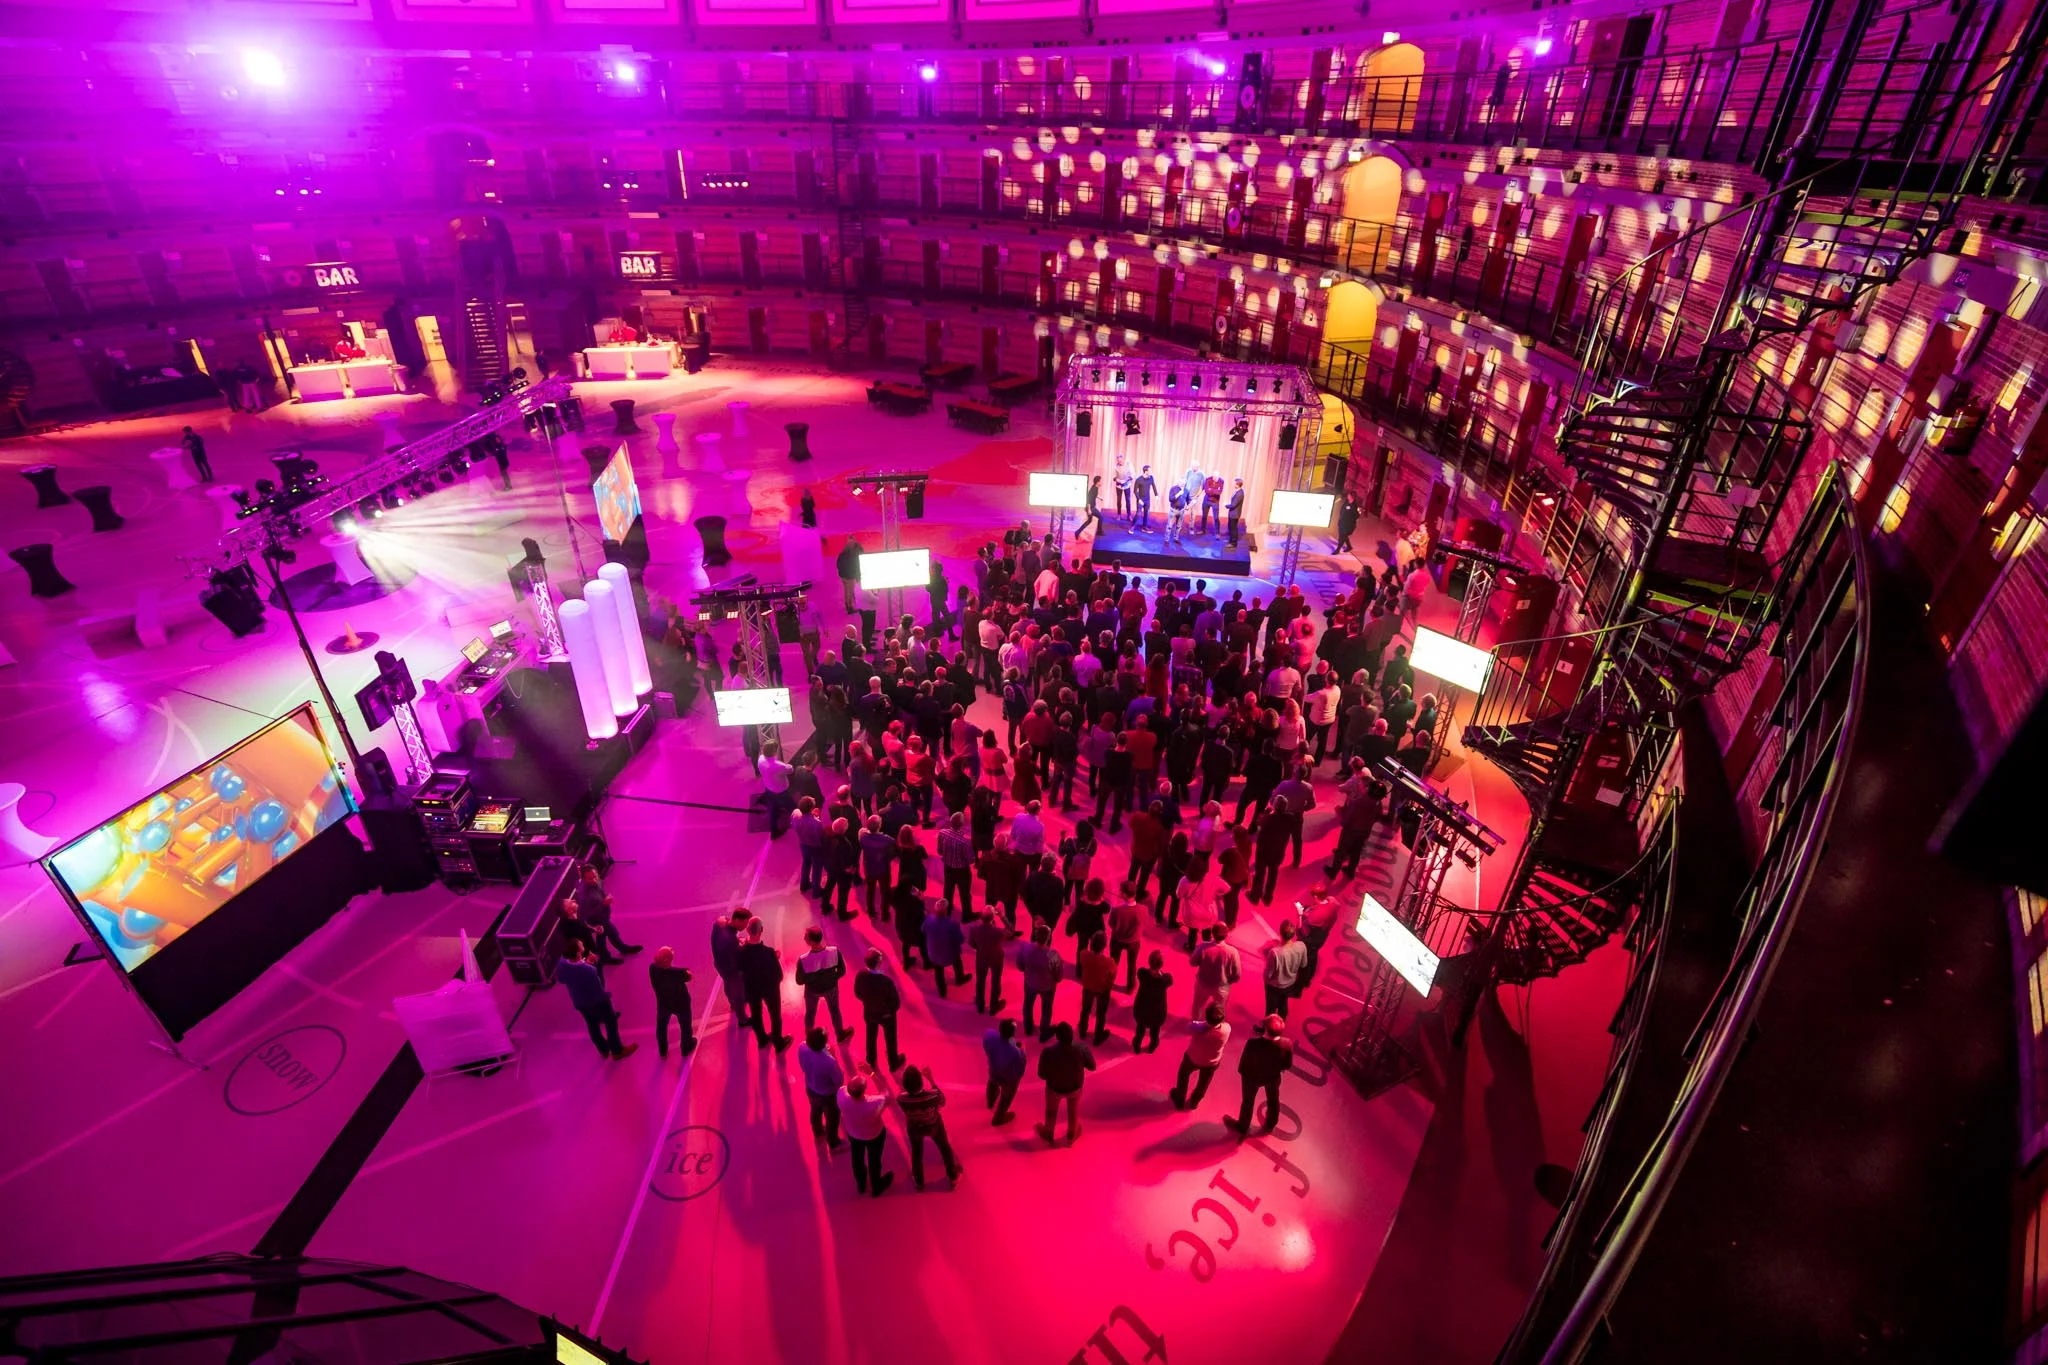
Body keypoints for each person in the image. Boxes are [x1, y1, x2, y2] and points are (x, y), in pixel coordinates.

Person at [557, 940, 637, 1061]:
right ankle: (617, 1050)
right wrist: (607, 995)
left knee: (592, 1025)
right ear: (578, 953)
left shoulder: (562, 962)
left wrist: (585, 963)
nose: (582, 944)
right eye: (580, 945)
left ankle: (603, 1050)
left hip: (579, 1002)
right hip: (597, 1002)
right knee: (611, 1022)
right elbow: (598, 990)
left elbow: (562, 979)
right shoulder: (588, 970)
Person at [1226, 1015, 1295, 1137]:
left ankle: (1242, 1126)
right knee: (1273, 1101)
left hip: (1252, 1077)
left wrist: (1244, 1075)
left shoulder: (1253, 1043)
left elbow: (1245, 1061)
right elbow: (1287, 1065)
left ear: (1265, 1028)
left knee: (1248, 1101)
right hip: (1272, 1078)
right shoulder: (1287, 1044)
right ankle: (1270, 1125)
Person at [897, 1065, 964, 1189]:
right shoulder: (932, 1096)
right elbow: (942, 1101)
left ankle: (919, 1181)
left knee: (917, 1152)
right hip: (933, 1125)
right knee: (945, 1148)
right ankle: (953, 1176)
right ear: (921, 1082)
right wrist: (931, 1080)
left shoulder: (901, 1099)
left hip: (914, 1128)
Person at [1035, 1021, 1097, 1146]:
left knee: (1051, 1112)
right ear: (1071, 1035)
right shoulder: (1081, 1049)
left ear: (1057, 1037)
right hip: (1075, 1088)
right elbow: (1092, 1066)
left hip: (1054, 1088)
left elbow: (1041, 1075)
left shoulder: (1047, 1052)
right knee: (1073, 1111)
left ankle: (1049, 1133)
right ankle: (1071, 1135)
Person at [738, 918, 792, 1049]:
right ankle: (778, 1041)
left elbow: (740, 970)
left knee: (756, 1015)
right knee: (775, 1014)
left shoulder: (741, 952)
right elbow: (779, 974)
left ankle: (761, 1040)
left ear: (747, 930)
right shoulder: (769, 952)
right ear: (761, 930)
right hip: (770, 989)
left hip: (752, 989)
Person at [838, 1073, 894, 1197]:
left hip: (854, 1134)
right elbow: (886, 1094)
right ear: (864, 1090)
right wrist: (872, 1074)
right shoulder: (875, 1102)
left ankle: (861, 1184)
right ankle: (876, 1186)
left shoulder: (841, 1095)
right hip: (874, 1135)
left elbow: (842, 1088)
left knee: (857, 1158)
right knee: (874, 1159)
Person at [796, 927, 855, 1041]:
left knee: (810, 1014)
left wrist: (812, 978)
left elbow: (799, 980)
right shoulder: (834, 951)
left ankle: (809, 1038)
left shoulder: (803, 959)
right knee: (834, 1010)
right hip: (831, 988)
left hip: (812, 991)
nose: (804, 938)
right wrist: (832, 978)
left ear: (812, 941)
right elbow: (842, 970)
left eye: (806, 937)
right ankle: (840, 1035)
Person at [853, 948, 907, 1070]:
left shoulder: (860, 976)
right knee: (890, 1038)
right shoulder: (886, 981)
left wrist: (868, 1001)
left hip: (869, 1011)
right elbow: (895, 1003)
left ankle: (871, 1059)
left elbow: (857, 993)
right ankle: (893, 1062)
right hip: (885, 1015)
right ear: (878, 963)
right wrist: (888, 1011)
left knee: (871, 1035)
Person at [1170, 1002, 1231, 1109]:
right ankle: (1195, 1101)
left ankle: (1180, 1098)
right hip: (1212, 1061)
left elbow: (1187, 1029)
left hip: (1193, 1057)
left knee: (1184, 1074)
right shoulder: (1227, 1029)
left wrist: (1200, 1023)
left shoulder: (1197, 1027)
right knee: (1204, 1082)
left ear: (1206, 1016)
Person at [574, 864, 641, 959]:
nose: (594, 880)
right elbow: (586, 914)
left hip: (603, 915)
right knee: (612, 932)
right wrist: (603, 904)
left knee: (602, 936)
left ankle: (606, 956)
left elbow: (600, 890)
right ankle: (621, 949)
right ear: (584, 879)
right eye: (590, 878)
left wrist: (604, 899)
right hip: (597, 919)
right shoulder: (584, 896)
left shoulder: (597, 881)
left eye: (595, 876)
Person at [798, 1027, 845, 1149]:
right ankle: (834, 1144)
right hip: (827, 1095)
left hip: (811, 1088)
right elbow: (838, 1081)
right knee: (832, 1118)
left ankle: (818, 1132)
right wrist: (833, 1055)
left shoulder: (802, 1047)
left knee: (815, 1110)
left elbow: (803, 1066)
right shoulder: (829, 1061)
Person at [1018, 921, 1064, 1042]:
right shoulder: (1053, 955)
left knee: (1028, 1004)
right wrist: (1056, 979)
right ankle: (1044, 1032)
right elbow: (1058, 974)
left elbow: (1020, 965)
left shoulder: (1026, 948)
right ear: (1048, 938)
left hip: (1030, 982)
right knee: (1046, 1009)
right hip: (1047, 986)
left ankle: (1028, 1028)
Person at [648, 946, 696, 1058]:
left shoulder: (652, 969)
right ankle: (686, 1046)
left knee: (661, 1026)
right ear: (668, 960)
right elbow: (689, 976)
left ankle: (662, 1049)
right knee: (685, 1025)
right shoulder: (677, 973)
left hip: (663, 1003)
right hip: (681, 1004)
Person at [1189, 925, 1242, 1020]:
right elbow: (1237, 974)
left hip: (1203, 983)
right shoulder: (1232, 952)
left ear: (1212, 933)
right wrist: (1229, 981)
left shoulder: (1203, 947)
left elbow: (1192, 962)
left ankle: (1196, 1023)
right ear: (1226, 934)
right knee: (1220, 1010)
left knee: (1198, 1006)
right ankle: (1216, 1026)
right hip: (1222, 986)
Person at [1076, 932, 1117, 1045]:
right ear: (1104, 946)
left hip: (1088, 986)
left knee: (1085, 1009)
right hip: (1102, 989)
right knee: (1101, 1013)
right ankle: (1098, 1035)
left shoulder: (1083, 954)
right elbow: (1113, 976)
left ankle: (1082, 1030)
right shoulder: (1109, 962)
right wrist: (1108, 985)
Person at [984, 1018, 1027, 1125]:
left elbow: (986, 1047)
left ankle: (990, 1101)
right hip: (1007, 1079)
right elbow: (1020, 1071)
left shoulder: (989, 1035)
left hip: (993, 1070)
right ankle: (999, 1117)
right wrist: (1022, 1051)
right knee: (1007, 1097)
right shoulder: (1016, 1053)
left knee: (992, 1082)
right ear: (1013, 1033)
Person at [1263, 919, 1308, 1019]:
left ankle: (1269, 1026)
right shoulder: (1301, 946)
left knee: (1271, 1008)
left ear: (1280, 933)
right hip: (1290, 983)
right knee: (1283, 1003)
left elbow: (1268, 974)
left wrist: (1266, 979)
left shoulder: (1275, 952)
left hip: (1275, 985)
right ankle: (1282, 1021)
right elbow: (1304, 964)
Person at [922, 901, 969, 998]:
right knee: (957, 960)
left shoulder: (929, 919)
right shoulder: (952, 924)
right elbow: (961, 940)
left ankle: (941, 990)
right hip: (950, 955)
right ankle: (959, 978)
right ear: (946, 911)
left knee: (938, 970)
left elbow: (923, 930)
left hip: (933, 954)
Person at [967, 909, 1010, 1014]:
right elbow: (1010, 930)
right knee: (996, 981)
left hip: (981, 956)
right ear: (993, 918)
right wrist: (1002, 916)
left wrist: (980, 948)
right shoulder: (997, 932)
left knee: (980, 981)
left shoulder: (974, 929)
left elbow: (971, 943)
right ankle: (993, 1006)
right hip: (996, 957)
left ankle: (980, 1005)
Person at [710, 909, 750, 1013]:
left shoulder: (720, 923)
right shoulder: (730, 940)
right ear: (737, 920)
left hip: (719, 963)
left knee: (728, 983)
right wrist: (744, 944)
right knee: (736, 987)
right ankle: (738, 1008)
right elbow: (735, 955)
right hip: (729, 968)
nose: (746, 927)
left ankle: (733, 1003)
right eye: (745, 923)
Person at [1132, 950, 1172, 1052]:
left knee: (1140, 1028)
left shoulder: (1143, 974)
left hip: (1142, 1009)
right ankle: (1153, 1045)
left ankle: (1137, 1044)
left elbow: (1141, 971)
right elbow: (1169, 979)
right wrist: (1159, 973)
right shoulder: (1164, 980)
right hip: (1157, 1012)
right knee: (1155, 1030)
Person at [1108, 887, 1145, 992]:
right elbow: (1143, 923)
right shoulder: (1143, 909)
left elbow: (1111, 924)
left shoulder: (1117, 910)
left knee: (1113, 962)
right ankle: (1130, 986)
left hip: (1117, 939)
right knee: (1132, 964)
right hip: (1134, 941)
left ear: (1124, 894)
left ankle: (1109, 982)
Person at [837, 536, 864, 612]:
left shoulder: (845, 551)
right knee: (850, 591)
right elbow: (857, 565)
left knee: (847, 590)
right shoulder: (856, 552)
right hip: (849, 575)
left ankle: (848, 605)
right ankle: (849, 607)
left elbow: (838, 563)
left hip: (844, 575)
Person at [1076, 474, 1104, 539]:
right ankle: (1099, 531)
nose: (1101, 482)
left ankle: (1077, 532)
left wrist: (1100, 498)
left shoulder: (1095, 487)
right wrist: (1089, 509)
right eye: (1101, 481)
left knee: (1089, 521)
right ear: (1097, 482)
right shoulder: (1093, 489)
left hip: (1091, 507)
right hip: (1091, 508)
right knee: (1101, 517)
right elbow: (1088, 499)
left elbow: (1094, 495)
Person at [1132, 464, 1157, 530]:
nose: (1151, 472)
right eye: (1150, 471)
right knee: (1138, 514)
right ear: (1146, 471)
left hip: (1147, 499)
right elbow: (1135, 491)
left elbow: (1153, 486)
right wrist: (1138, 499)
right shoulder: (1139, 480)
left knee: (1146, 514)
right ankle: (1132, 526)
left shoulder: (1151, 478)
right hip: (1141, 499)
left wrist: (1156, 495)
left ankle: (1144, 527)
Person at [1226, 478, 1245, 546]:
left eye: (1234, 483)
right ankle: (1231, 540)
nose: (1233, 484)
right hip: (1233, 513)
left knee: (1233, 528)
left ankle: (1233, 543)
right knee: (1232, 527)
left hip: (1234, 514)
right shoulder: (1237, 491)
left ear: (1237, 484)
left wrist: (1226, 505)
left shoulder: (1240, 493)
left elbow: (1233, 505)